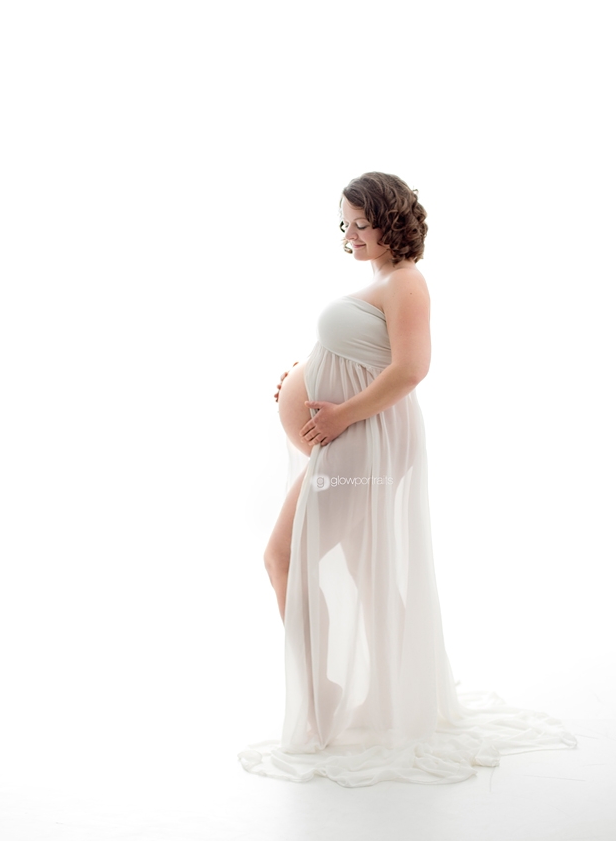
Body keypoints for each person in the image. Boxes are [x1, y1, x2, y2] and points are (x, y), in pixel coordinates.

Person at [239, 172, 576, 786]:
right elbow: (360, 354)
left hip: (365, 442)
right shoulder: (381, 282)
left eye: (360, 223)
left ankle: (325, 687)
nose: (350, 235)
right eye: (344, 224)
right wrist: (307, 373)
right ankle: (392, 694)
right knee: (367, 571)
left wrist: (337, 410)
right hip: (355, 441)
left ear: (390, 220)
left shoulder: (408, 283)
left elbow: (413, 368)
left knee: (281, 556)